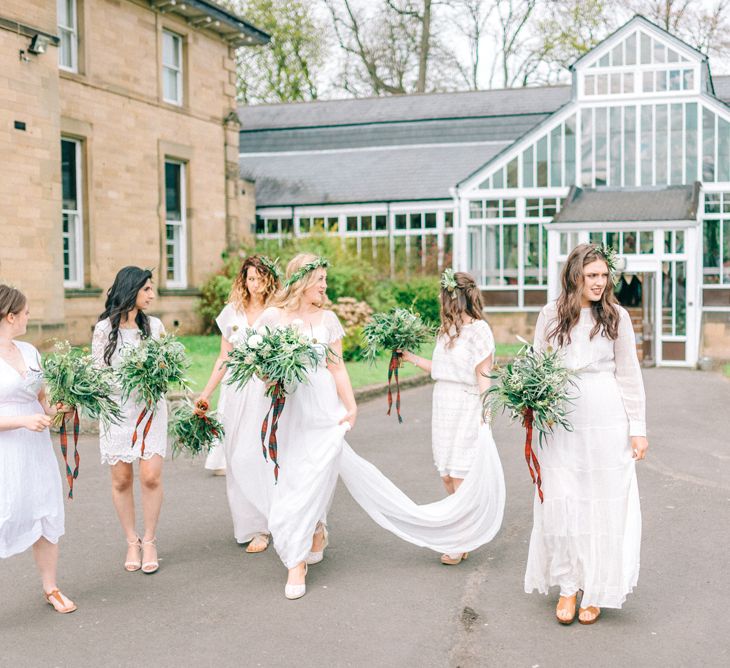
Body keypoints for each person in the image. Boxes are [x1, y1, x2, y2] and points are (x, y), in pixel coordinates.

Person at [256, 254, 505, 600]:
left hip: (326, 409)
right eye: (322, 280)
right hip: (290, 407)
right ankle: (309, 535)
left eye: (326, 279)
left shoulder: (327, 320)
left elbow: (337, 367)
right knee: (293, 475)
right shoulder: (272, 318)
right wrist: (269, 377)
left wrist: (352, 404)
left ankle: (299, 555)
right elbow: (259, 366)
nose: (326, 286)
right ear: (302, 280)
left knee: (315, 474)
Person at [525, 243, 649, 625]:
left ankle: (596, 587)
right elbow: (535, 365)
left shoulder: (617, 317)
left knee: (602, 501)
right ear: (574, 275)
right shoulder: (550, 314)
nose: (599, 282)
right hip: (560, 420)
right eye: (591, 275)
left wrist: (638, 429)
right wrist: (531, 405)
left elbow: (629, 374)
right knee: (563, 499)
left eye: (603, 275)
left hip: (606, 416)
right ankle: (567, 584)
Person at [399, 270, 504, 565]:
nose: (445, 303)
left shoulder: (480, 330)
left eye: (447, 297)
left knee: (460, 475)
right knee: (446, 474)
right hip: (443, 404)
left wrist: (486, 417)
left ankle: (460, 538)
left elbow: (485, 376)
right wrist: (409, 357)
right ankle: (463, 529)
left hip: (467, 406)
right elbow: (440, 369)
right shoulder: (446, 331)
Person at [196, 255, 280, 553]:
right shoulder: (232, 312)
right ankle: (249, 524)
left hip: (265, 390)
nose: (254, 284)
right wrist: (206, 393)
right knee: (236, 457)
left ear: (270, 278)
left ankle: (269, 524)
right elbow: (224, 356)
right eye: (250, 278)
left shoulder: (279, 311)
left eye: (260, 278)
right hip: (235, 390)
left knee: (259, 454)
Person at [0, 285, 76, 613]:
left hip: (36, 446)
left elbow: (42, 400)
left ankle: (51, 587)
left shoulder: (30, 351)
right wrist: (22, 422)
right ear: (10, 316)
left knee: (44, 509)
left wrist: (58, 409)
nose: (30, 316)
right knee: (6, 511)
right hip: (7, 447)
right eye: (26, 311)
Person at [92, 267, 167, 574]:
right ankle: (131, 540)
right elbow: (97, 373)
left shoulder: (156, 327)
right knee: (121, 479)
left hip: (149, 409)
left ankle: (149, 540)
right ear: (131, 289)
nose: (151, 295)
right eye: (147, 289)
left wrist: (155, 380)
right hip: (117, 410)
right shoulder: (103, 329)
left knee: (150, 476)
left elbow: (165, 368)